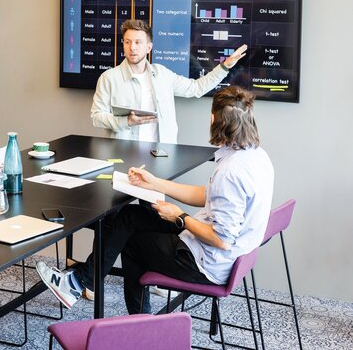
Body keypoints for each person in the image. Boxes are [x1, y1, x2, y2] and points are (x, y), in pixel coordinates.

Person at [37, 86, 274, 314]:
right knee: (130, 217)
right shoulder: (255, 156)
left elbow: (220, 239)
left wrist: (179, 217)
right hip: (217, 250)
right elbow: (205, 195)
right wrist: (154, 183)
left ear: (214, 120)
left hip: (205, 263)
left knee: (130, 243)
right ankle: (82, 281)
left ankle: (136, 320)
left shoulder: (230, 173)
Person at [90, 19, 248, 144]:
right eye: (127, 42)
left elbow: (196, 88)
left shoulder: (162, 74)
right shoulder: (109, 78)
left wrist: (224, 66)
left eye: (138, 42)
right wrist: (126, 121)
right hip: (122, 153)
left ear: (149, 47)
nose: (132, 48)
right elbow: (96, 117)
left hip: (161, 154)